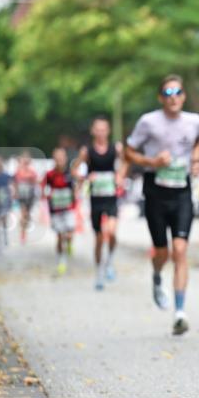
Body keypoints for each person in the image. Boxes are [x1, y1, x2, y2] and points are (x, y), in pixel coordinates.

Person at [124, 75, 199, 335]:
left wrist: (196, 161)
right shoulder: (148, 122)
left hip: (182, 193)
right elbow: (129, 151)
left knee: (180, 250)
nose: (173, 96)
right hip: (155, 193)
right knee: (162, 253)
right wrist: (151, 162)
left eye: (177, 91)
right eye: (167, 92)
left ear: (183, 96)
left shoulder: (195, 121)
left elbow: (198, 142)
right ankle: (157, 277)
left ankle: (180, 312)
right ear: (161, 97)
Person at [73, 117, 126, 290]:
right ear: (93, 131)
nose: (101, 132)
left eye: (104, 129)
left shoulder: (115, 148)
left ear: (108, 131)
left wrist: (120, 176)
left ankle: (110, 261)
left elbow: (126, 162)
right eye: (98, 129)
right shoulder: (86, 151)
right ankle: (99, 273)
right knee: (99, 238)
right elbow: (74, 169)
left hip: (111, 197)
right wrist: (85, 177)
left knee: (111, 232)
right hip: (95, 198)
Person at [43, 147, 77, 275]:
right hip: (55, 210)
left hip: (68, 208)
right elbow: (44, 190)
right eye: (57, 158)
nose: (59, 161)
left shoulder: (70, 174)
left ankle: (69, 244)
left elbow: (75, 189)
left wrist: (75, 198)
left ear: (65, 159)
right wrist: (47, 196)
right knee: (60, 235)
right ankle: (61, 261)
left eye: (61, 158)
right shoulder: (49, 175)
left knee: (68, 234)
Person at [14, 152, 40, 244]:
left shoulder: (32, 171)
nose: (25, 161)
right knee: (23, 213)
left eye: (27, 159)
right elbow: (16, 182)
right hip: (22, 195)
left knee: (27, 215)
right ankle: (23, 234)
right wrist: (16, 192)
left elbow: (36, 182)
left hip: (30, 195)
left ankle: (24, 226)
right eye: (24, 159)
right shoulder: (18, 171)